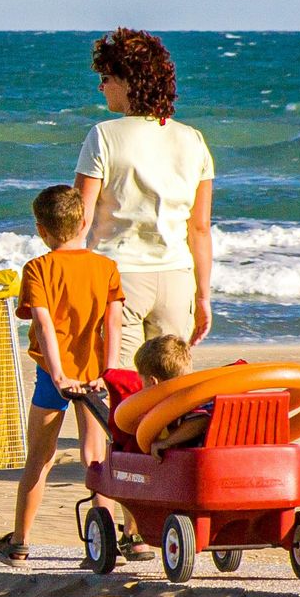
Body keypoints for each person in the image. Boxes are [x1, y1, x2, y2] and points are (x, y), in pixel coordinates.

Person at [0, 185, 121, 565]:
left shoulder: (38, 268)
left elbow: (44, 325)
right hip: (93, 372)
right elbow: (114, 323)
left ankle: (20, 542)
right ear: (84, 222)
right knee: (95, 456)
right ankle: (103, 541)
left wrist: (58, 374)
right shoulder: (105, 267)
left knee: (40, 458)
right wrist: (107, 372)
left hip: (53, 374)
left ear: (41, 230)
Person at [75, 29, 215, 368]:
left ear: (127, 82)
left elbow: (81, 218)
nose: (101, 87)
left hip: (118, 277)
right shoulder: (192, 139)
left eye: (106, 78)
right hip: (175, 278)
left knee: (120, 387)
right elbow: (200, 229)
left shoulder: (104, 135)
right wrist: (203, 296)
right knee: (168, 390)